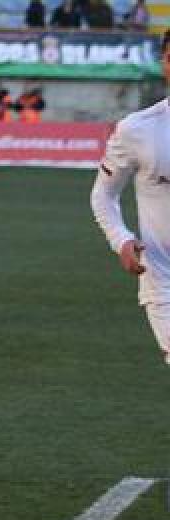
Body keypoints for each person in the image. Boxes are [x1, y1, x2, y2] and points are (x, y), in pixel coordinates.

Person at [90, 30, 170, 366]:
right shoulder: (138, 129)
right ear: (164, 63)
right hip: (164, 282)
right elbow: (103, 196)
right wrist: (120, 239)